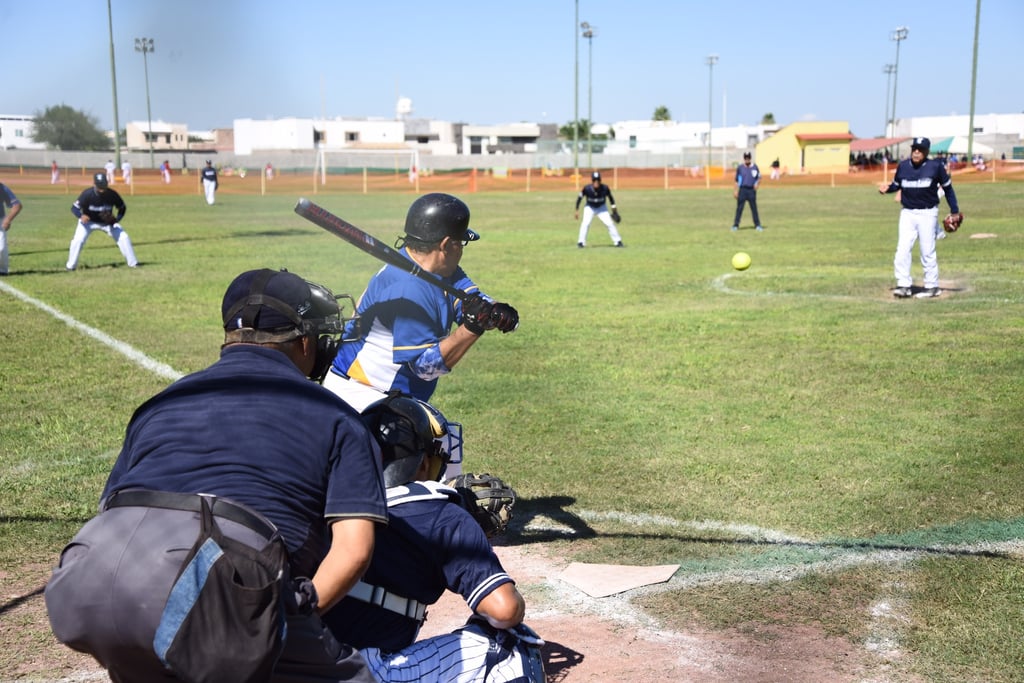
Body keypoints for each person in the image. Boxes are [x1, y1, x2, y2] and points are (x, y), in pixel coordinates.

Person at [45, 268, 388, 682]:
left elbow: (114, 506)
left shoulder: (159, 404)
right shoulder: (339, 418)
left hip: (91, 585)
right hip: (226, 586)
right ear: (304, 342)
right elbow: (354, 551)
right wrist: (292, 611)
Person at [324, 394, 544, 683]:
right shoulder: (443, 515)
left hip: (287, 658)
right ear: (423, 464)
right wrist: (467, 529)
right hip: (357, 672)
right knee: (510, 644)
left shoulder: (324, 501)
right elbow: (504, 609)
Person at [322, 193, 519, 413]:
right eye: (461, 242)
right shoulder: (408, 288)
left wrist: (493, 311)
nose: (462, 249)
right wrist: (472, 328)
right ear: (446, 244)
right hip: (361, 397)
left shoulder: (436, 267)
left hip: (390, 395)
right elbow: (425, 367)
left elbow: (468, 298)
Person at [878, 136, 961, 299]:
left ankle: (932, 286)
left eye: (920, 150)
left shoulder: (935, 167)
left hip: (928, 213)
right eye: (914, 149)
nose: (916, 152)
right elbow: (897, 185)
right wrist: (887, 189)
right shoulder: (903, 167)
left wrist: (955, 210)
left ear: (926, 151)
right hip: (907, 213)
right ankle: (903, 285)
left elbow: (948, 189)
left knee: (927, 250)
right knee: (902, 249)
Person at [66, 172, 139, 271]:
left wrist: (116, 220)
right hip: (88, 223)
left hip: (107, 223)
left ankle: (133, 264)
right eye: (99, 185)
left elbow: (122, 208)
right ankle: (70, 266)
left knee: (124, 237)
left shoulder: (112, 194)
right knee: (77, 241)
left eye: (103, 185)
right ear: (94, 184)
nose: (102, 188)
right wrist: (81, 215)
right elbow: (74, 208)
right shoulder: (87, 194)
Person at [574, 170, 623, 248]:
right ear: (592, 181)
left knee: (609, 223)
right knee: (585, 223)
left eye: (598, 180)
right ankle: (581, 242)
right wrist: (577, 210)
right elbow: (580, 198)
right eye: (594, 180)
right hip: (589, 207)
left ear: (600, 181)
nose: (596, 182)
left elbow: (611, 198)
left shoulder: (605, 188)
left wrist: (614, 210)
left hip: (602, 208)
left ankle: (618, 241)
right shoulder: (587, 189)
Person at [732, 152, 763, 232]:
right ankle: (735, 225)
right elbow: (736, 180)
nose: (747, 159)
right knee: (739, 208)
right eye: (746, 158)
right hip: (742, 190)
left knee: (754, 208)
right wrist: (735, 191)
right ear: (744, 158)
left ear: (750, 158)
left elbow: (759, 177)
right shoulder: (740, 168)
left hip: (751, 190)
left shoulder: (754, 167)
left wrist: (757, 184)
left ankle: (757, 225)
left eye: (748, 157)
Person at [0, 181, 24, 276]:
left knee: (1, 248)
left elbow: (17, 205)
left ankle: (2, 270)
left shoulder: (2, 188)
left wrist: (8, 219)